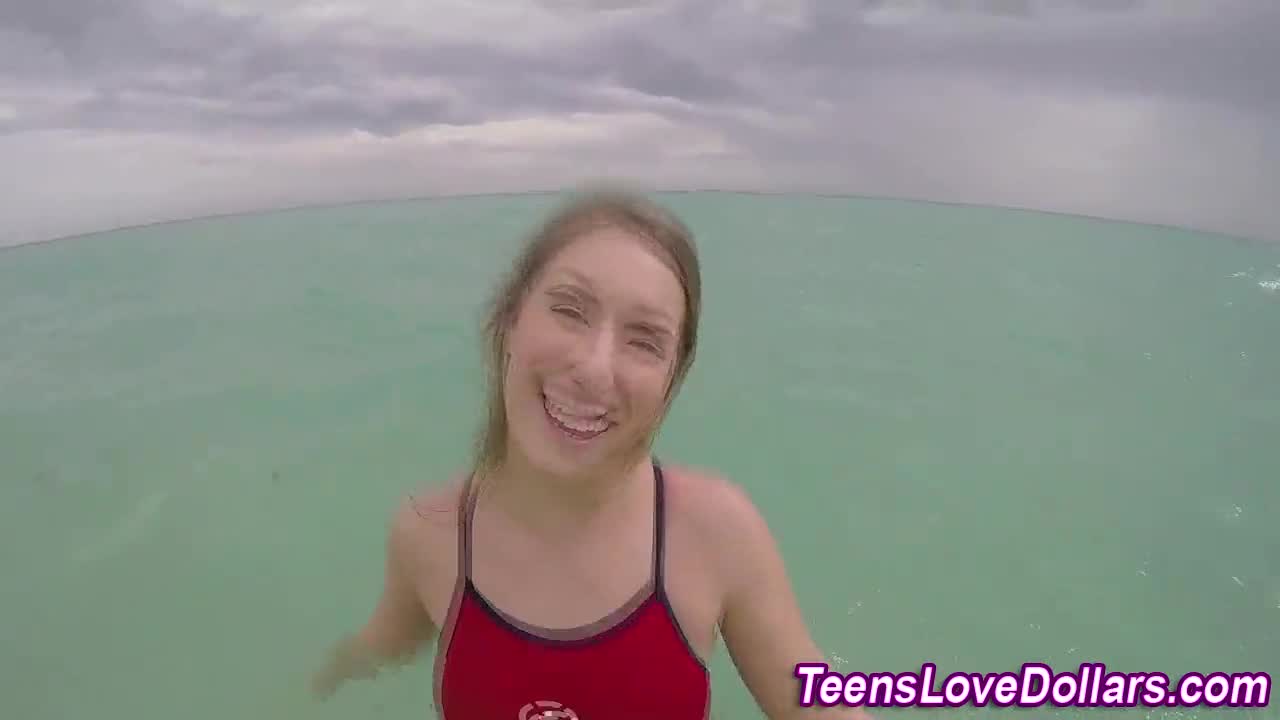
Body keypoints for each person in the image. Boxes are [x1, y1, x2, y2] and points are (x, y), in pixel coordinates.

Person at [311, 187, 873, 719]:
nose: (594, 369)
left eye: (644, 340)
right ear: (510, 319)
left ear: (671, 379)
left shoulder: (714, 534)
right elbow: (380, 649)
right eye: (569, 310)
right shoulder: (429, 534)